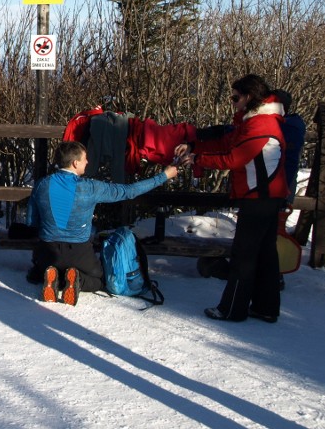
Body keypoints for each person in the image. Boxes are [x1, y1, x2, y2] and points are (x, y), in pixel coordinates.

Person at [175, 74, 289, 323]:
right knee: (266, 254)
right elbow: (227, 142)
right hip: (268, 196)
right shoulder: (256, 122)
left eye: (236, 97)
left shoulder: (260, 125)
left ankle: (232, 309)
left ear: (249, 97)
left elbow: (233, 158)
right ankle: (265, 308)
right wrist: (195, 147)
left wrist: (197, 160)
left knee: (244, 255)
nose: (233, 102)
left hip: (258, 197)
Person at [27, 141, 179, 305]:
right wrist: (164, 176)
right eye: (85, 159)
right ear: (75, 163)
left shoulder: (41, 185)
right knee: (101, 280)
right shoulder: (90, 187)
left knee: (36, 273)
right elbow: (128, 191)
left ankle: (50, 276)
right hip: (79, 252)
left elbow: (32, 222)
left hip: (47, 251)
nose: (88, 162)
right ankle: (75, 280)